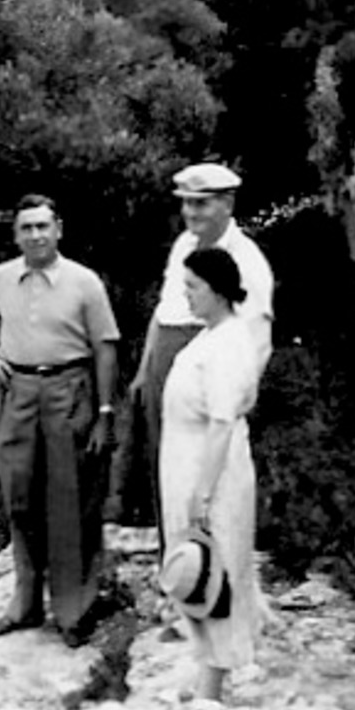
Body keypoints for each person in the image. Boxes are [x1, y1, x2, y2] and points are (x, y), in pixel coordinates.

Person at [0, 194, 120, 648]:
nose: (35, 236)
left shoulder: (84, 282)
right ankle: (25, 603)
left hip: (70, 389)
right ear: (15, 234)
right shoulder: (1, 278)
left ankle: (73, 610)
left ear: (59, 229)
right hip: (16, 392)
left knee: (70, 498)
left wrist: (105, 413)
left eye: (43, 226)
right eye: (26, 228)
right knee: (20, 496)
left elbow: (106, 347)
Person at [113, 162, 274, 544]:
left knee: (209, 473)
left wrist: (234, 401)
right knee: (167, 467)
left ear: (227, 204)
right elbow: (164, 309)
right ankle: (177, 563)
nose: (191, 213)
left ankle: (210, 574)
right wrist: (144, 370)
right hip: (166, 367)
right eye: (186, 204)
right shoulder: (185, 245)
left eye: (201, 204)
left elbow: (255, 341)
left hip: (208, 372)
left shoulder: (246, 261)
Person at [156, 245, 267, 701]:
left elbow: (222, 421)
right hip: (185, 460)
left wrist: (202, 492)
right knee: (196, 569)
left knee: (217, 568)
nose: (187, 297)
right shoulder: (209, 336)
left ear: (219, 291)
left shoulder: (229, 343)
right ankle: (205, 669)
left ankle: (215, 685)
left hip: (212, 469)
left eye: (194, 288)